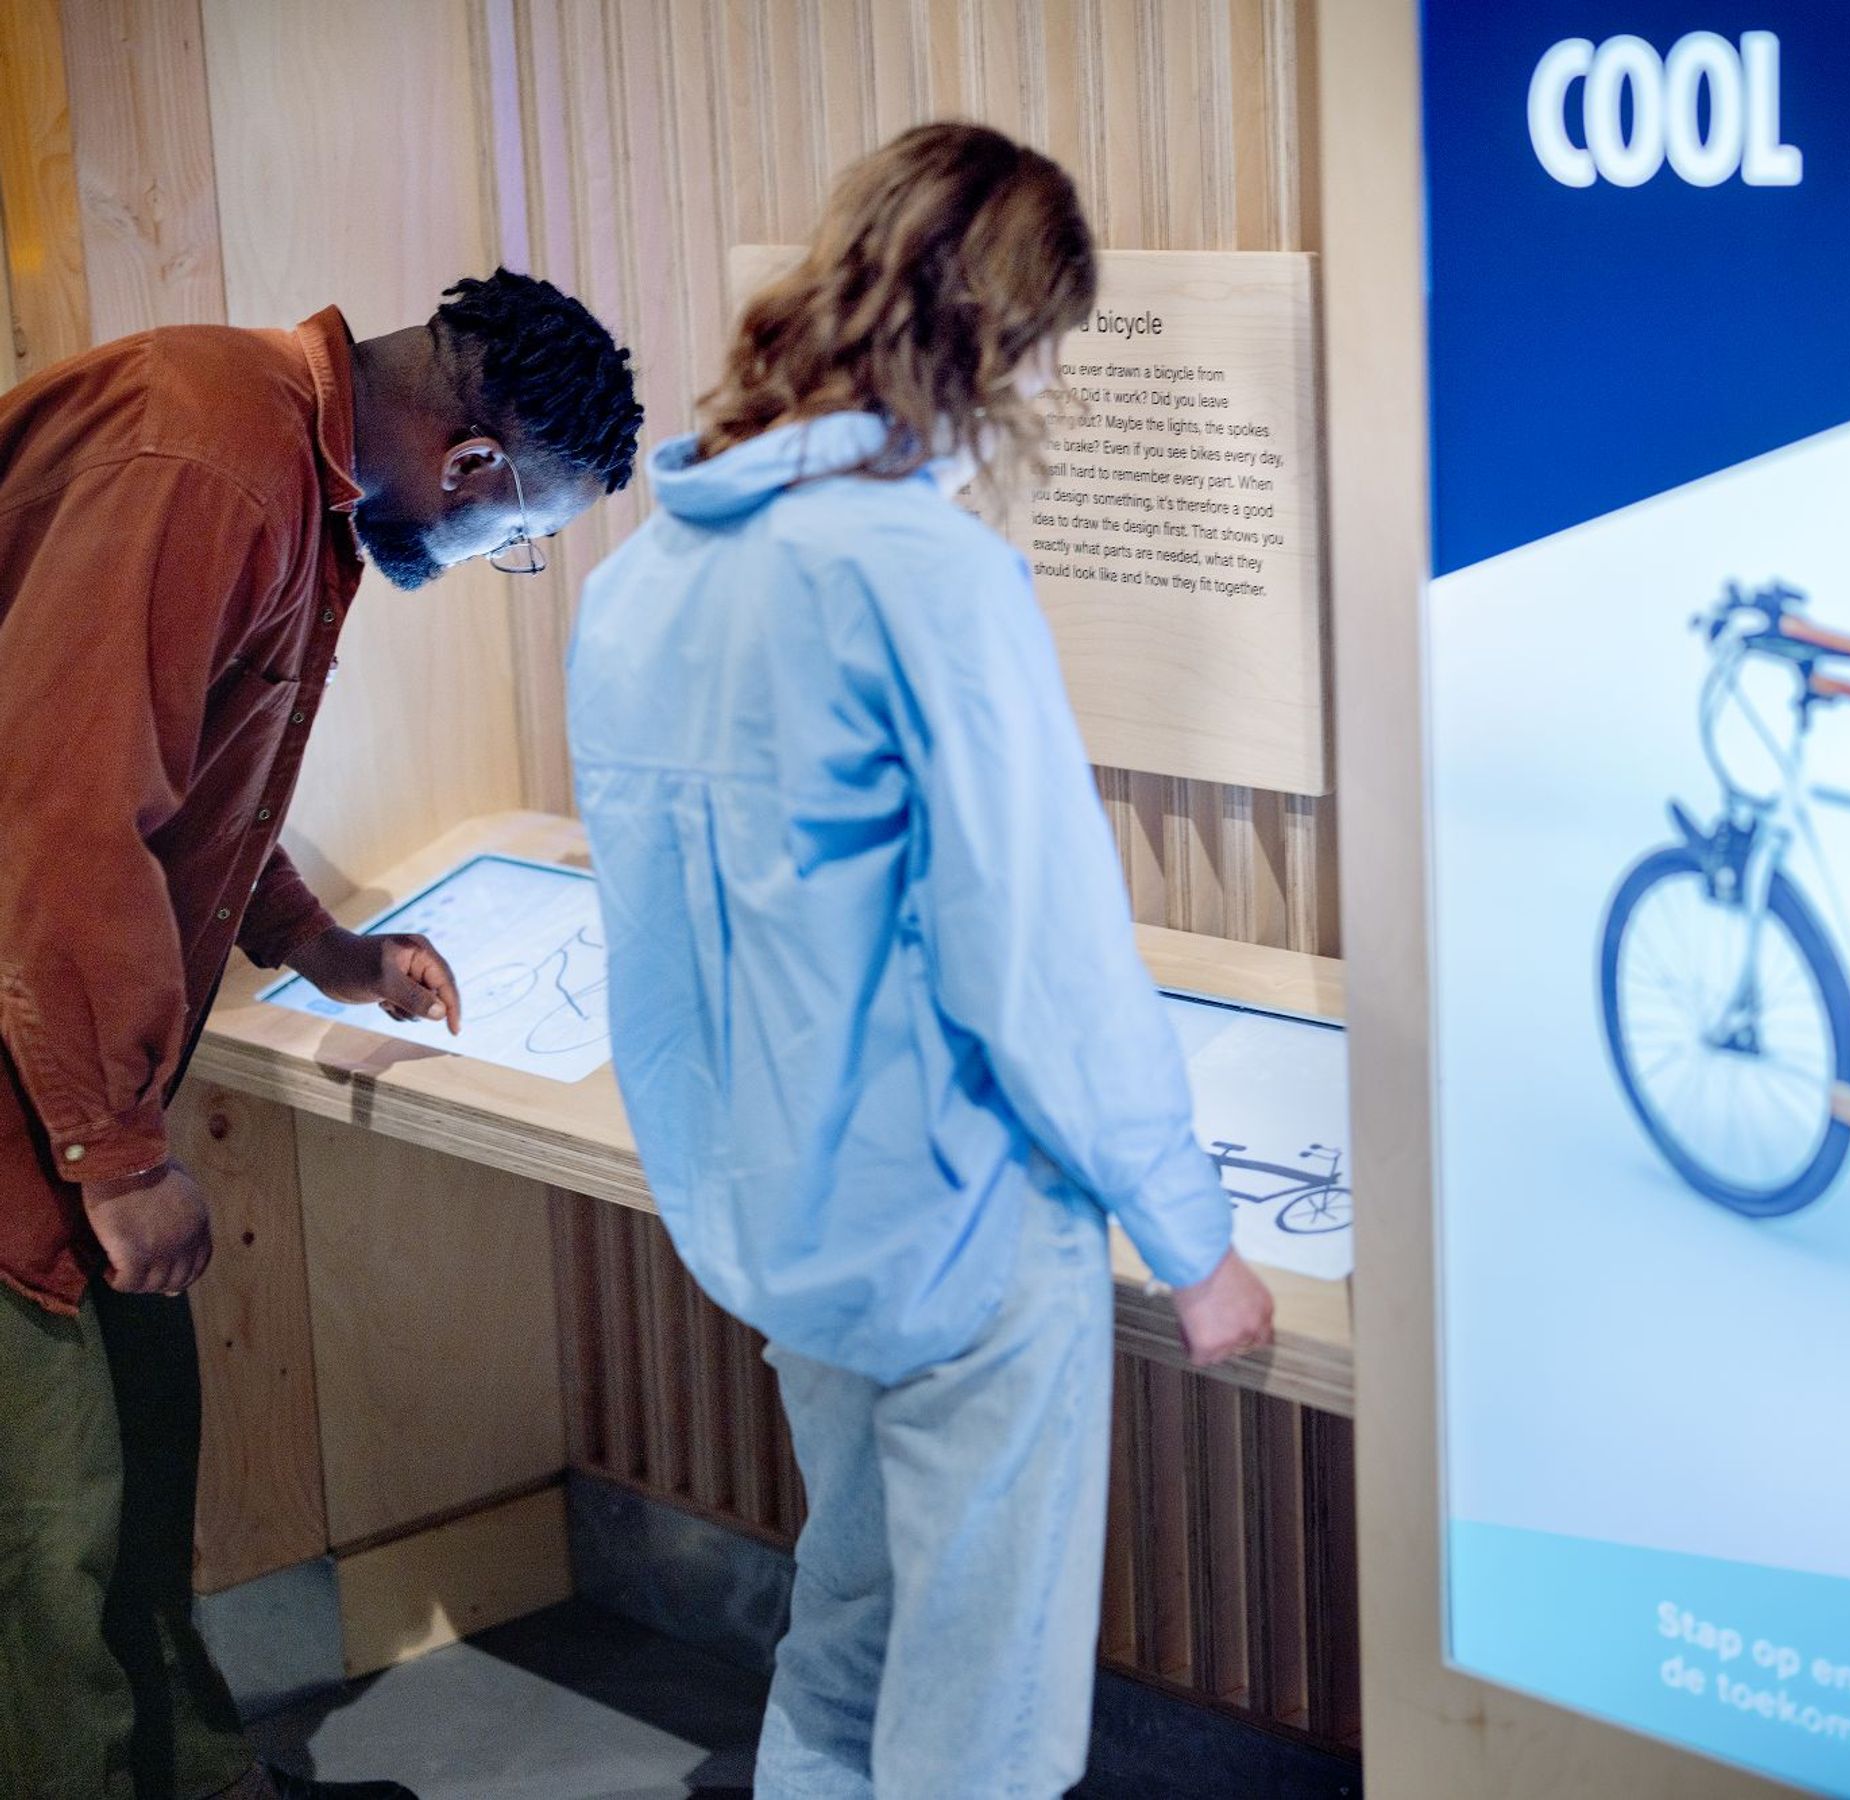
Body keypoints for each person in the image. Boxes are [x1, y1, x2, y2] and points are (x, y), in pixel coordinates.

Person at [568, 123, 1275, 1798]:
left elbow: (655, 960)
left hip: (778, 1226)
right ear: (992, 334)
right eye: (1045, 347)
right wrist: (1190, 1236)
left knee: (847, 1632)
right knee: (982, 1719)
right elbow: (1042, 957)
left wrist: (729, 1198)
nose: (1045, 387)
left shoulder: (638, 581)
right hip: (961, 1237)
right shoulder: (929, 576)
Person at [0, 270, 641, 1800]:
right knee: (51, 1550)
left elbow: (178, 768)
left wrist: (318, 945)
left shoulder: (281, 461)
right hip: (38, 1087)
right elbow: (63, 814)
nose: (496, 558)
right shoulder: (211, 456)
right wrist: (117, 1155)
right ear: (472, 462)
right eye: (519, 536)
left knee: (140, 1492)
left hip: (63, 1075)